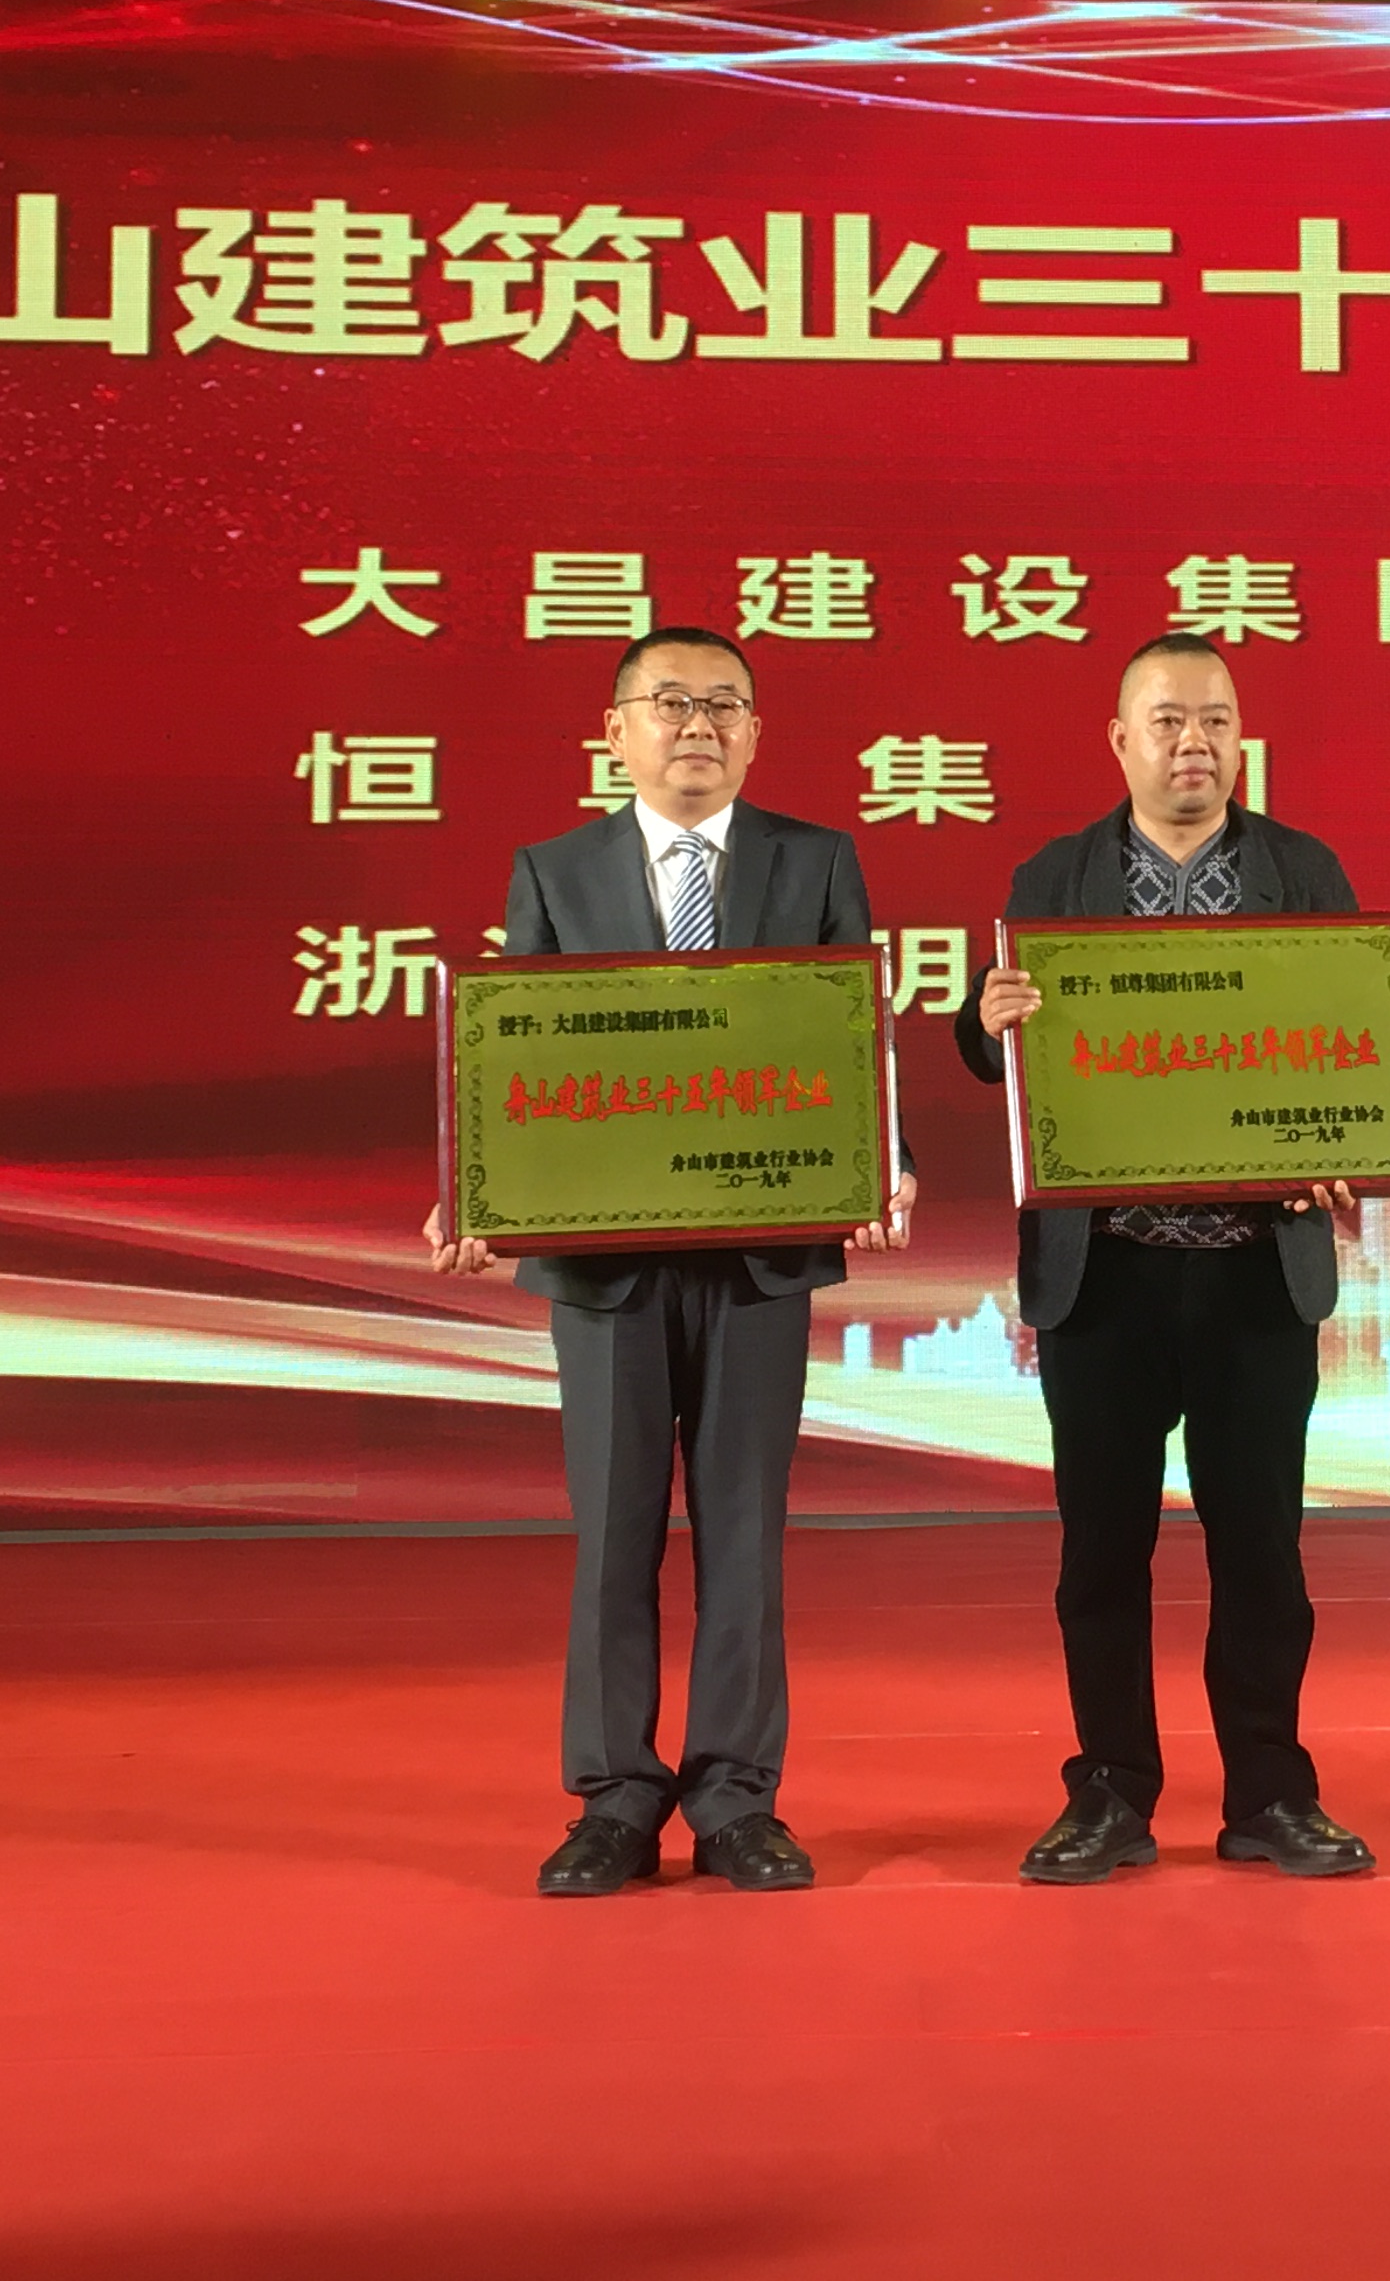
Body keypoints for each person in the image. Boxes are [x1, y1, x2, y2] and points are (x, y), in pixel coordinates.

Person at [427, 624, 912, 1898]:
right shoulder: (556, 870)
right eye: (671, 702)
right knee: (615, 1535)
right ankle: (615, 1799)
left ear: (755, 733)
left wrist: (883, 1161)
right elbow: (520, 1055)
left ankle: (738, 1799)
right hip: (606, 1267)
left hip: (759, 1252)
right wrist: (479, 1192)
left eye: (725, 705)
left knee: (745, 1534)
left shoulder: (816, 860)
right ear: (617, 731)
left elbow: (850, 1034)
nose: (699, 725)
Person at [955, 632, 1377, 1884]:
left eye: (1217, 720)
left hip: (1254, 1271)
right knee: (1101, 1555)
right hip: (1107, 1276)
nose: (1195, 742)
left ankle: (1269, 1792)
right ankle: (1110, 1791)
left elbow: (1356, 1035)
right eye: (1168, 721)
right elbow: (989, 1047)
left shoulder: (1302, 872)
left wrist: (1346, 1143)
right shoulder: (1056, 875)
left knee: (1263, 1554)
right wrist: (985, 1018)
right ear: (1120, 740)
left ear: (1241, 738)